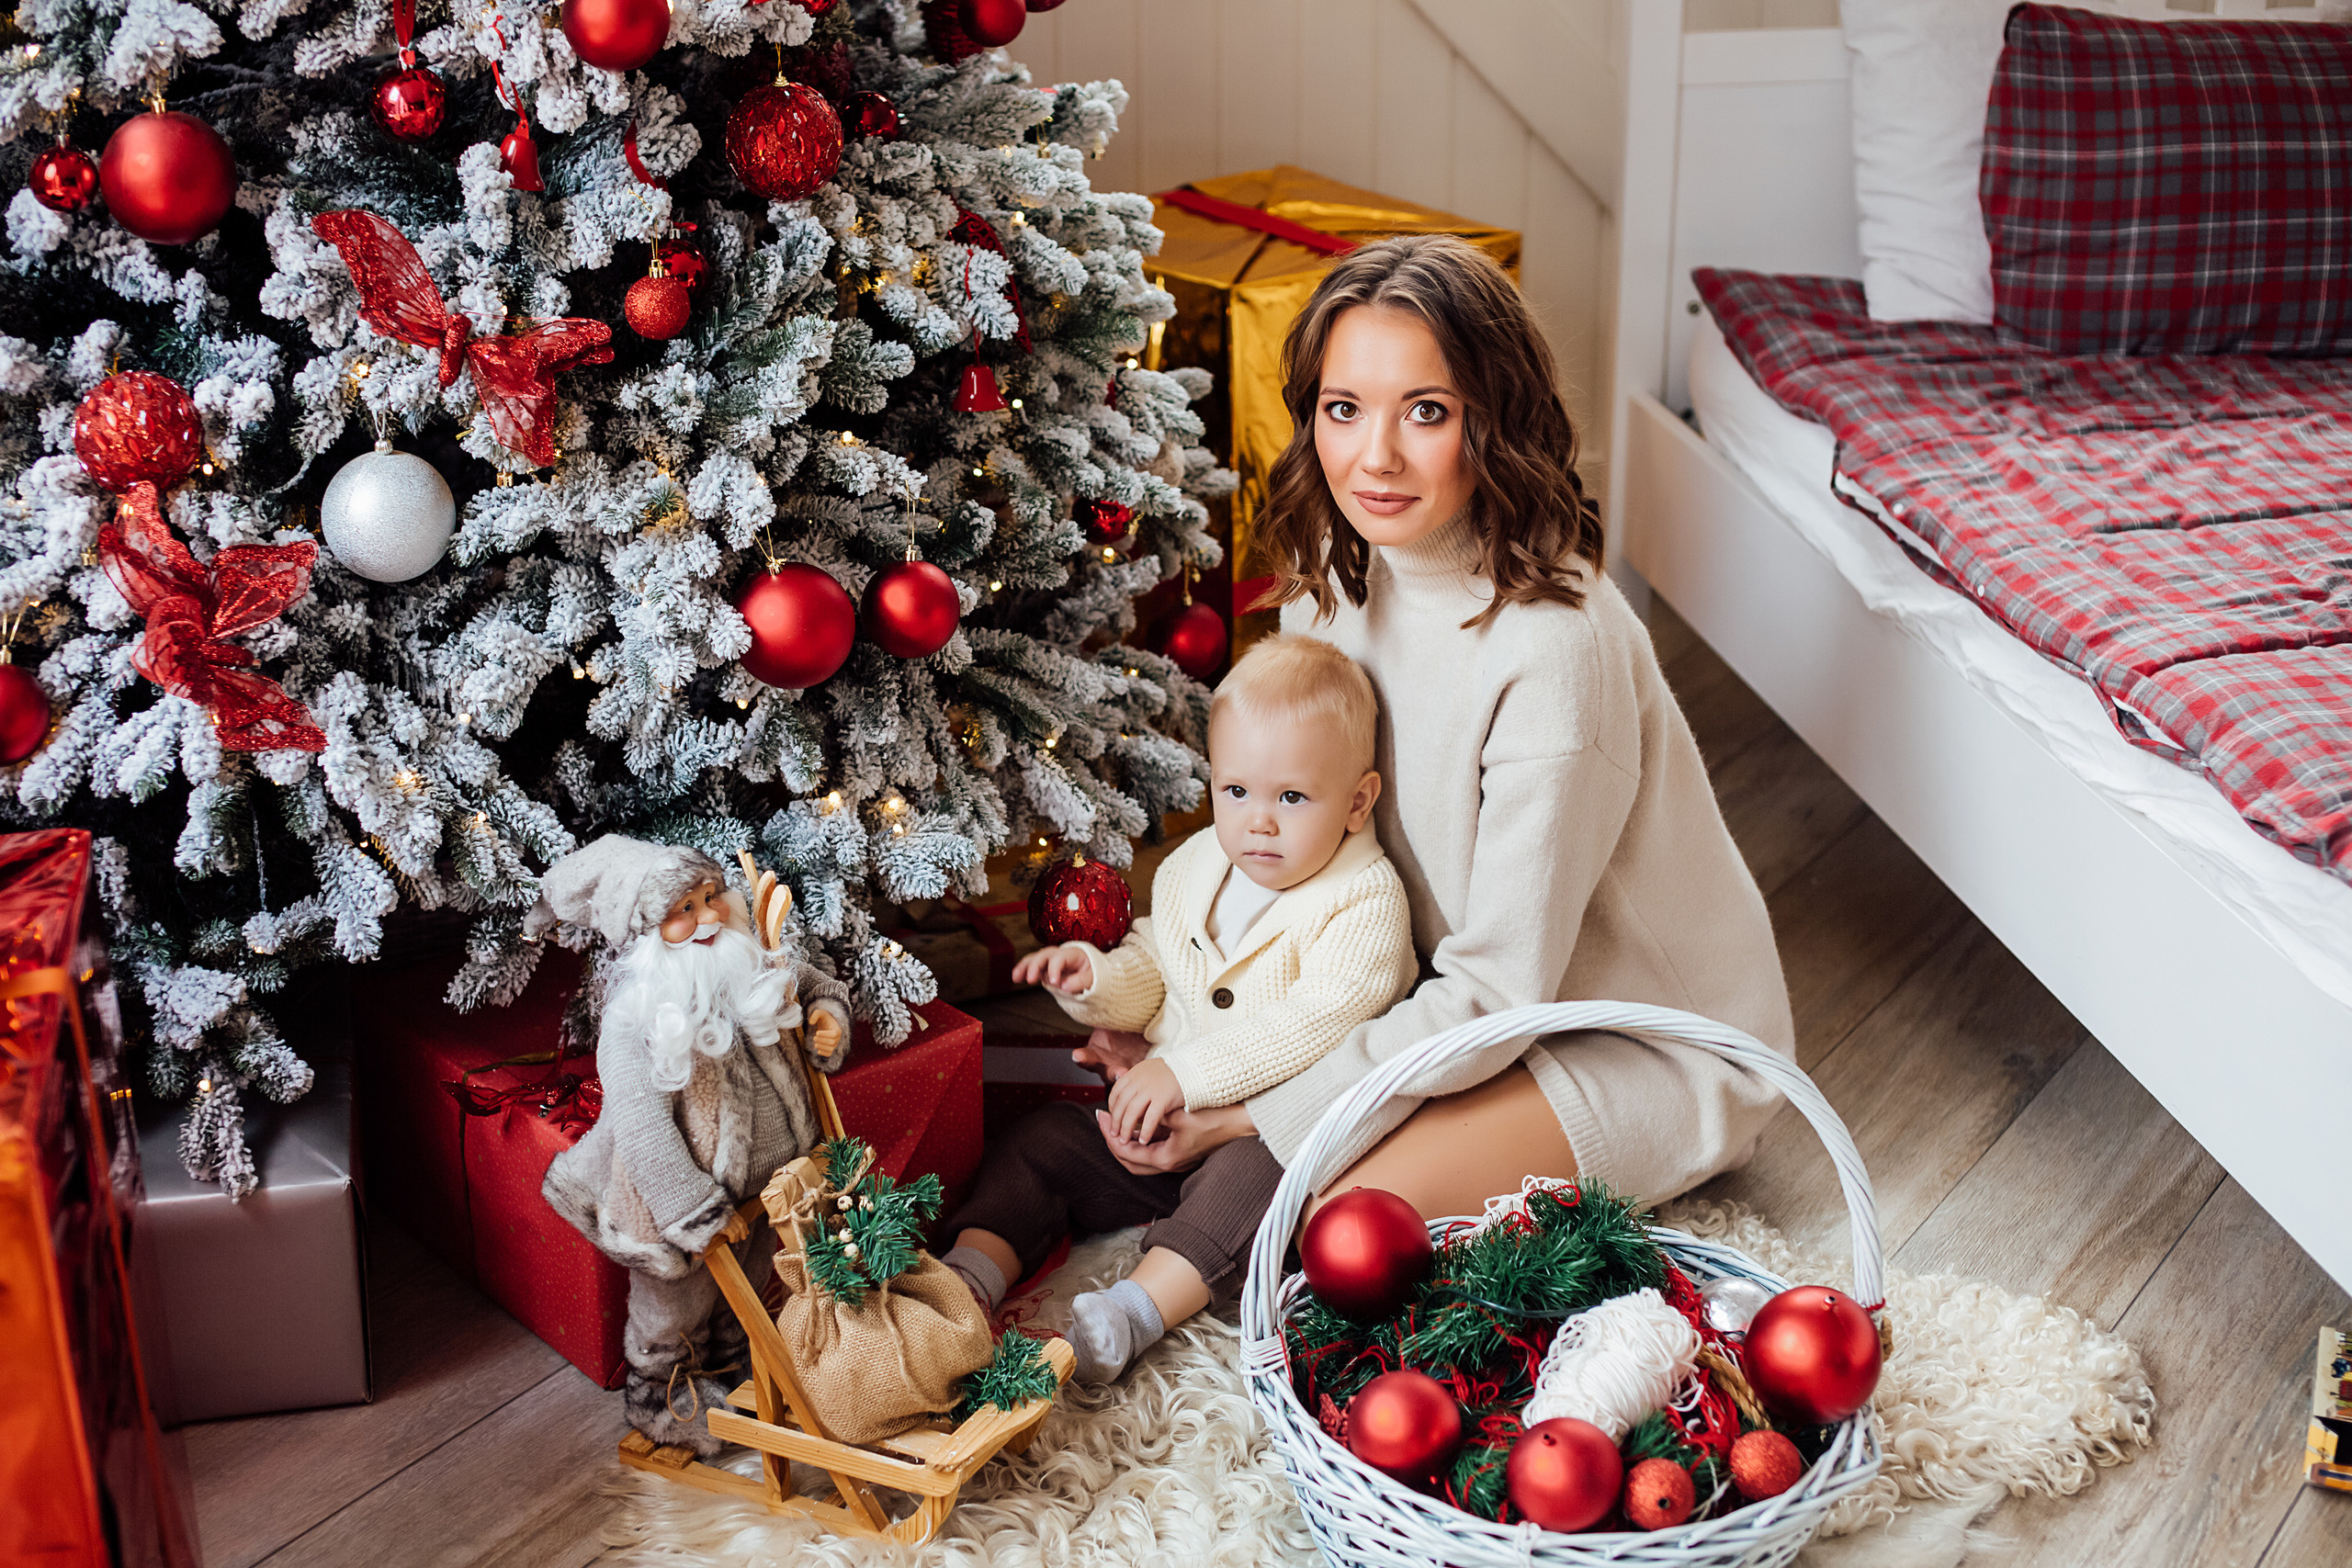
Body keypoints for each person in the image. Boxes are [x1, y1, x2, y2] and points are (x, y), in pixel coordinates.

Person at [1078, 232, 1795, 1232]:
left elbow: (1500, 987)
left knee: (1330, 1224)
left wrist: (1246, 1106)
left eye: (1426, 412)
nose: (1374, 458)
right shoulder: (1328, 590)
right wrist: (1193, 1035)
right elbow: (1322, 875)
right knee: (1253, 1182)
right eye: (1343, 409)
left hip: (1619, 1041)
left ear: (1492, 420)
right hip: (1433, 1000)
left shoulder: (1552, 648)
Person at [939, 634, 1417, 1382]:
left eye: (1291, 797)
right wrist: (1093, 976)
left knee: (1256, 1185)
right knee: (1042, 1139)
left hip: (1256, 1133)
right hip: (1156, 1125)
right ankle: (969, 1275)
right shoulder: (1200, 865)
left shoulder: (1364, 905)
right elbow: (1158, 966)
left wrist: (1182, 1075)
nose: (1258, 821)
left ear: (1358, 801)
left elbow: (1315, 1023)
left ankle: (1136, 1308)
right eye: (1236, 792)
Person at [529, 835, 850, 1457]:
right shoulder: (633, 1025)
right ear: (648, 931)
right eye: (684, 910)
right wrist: (694, 1213)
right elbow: (644, 1132)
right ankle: (662, 1388)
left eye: (711, 897)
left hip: (768, 1186)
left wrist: (826, 1015)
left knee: (753, 1280)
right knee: (677, 1303)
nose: (708, 917)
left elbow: (813, 984)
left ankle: (735, 1364)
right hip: (679, 1210)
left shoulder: (748, 964)